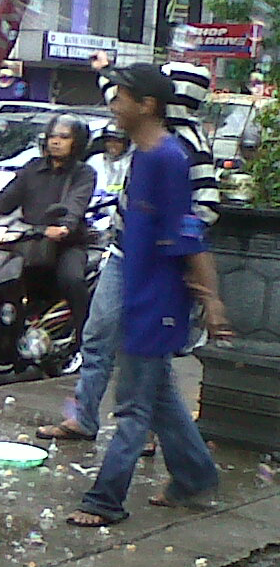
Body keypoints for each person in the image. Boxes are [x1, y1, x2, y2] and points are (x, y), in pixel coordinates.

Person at [68, 63, 233, 527]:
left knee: (134, 406)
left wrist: (210, 298)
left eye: (121, 97)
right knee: (155, 393)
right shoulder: (145, 152)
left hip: (155, 300)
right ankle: (196, 477)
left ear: (149, 105)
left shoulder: (171, 157)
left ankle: (105, 500)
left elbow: (191, 232)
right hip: (138, 286)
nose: (112, 104)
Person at [38, 62, 219, 444]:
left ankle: (148, 432)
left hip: (157, 266)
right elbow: (115, 92)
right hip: (124, 254)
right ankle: (85, 417)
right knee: (99, 335)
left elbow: (203, 209)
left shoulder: (184, 146)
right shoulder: (148, 134)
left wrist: (178, 251)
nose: (117, 104)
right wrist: (107, 69)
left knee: (148, 356)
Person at [0, 113, 97, 334]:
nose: (56, 141)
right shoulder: (32, 168)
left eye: (64, 137)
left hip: (66, 244)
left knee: (71, 280)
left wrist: (64, 226)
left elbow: (76, 204)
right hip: (27, 239)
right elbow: (6, 199)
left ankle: (85, 340)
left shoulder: (83, 173)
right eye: (53, 136)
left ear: (77, 142)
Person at [92, 125, 132, 198]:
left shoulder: (131, 163)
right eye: (109, 141)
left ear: (126, 143)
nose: (113, 145)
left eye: (118, 141)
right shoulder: (95, 160)